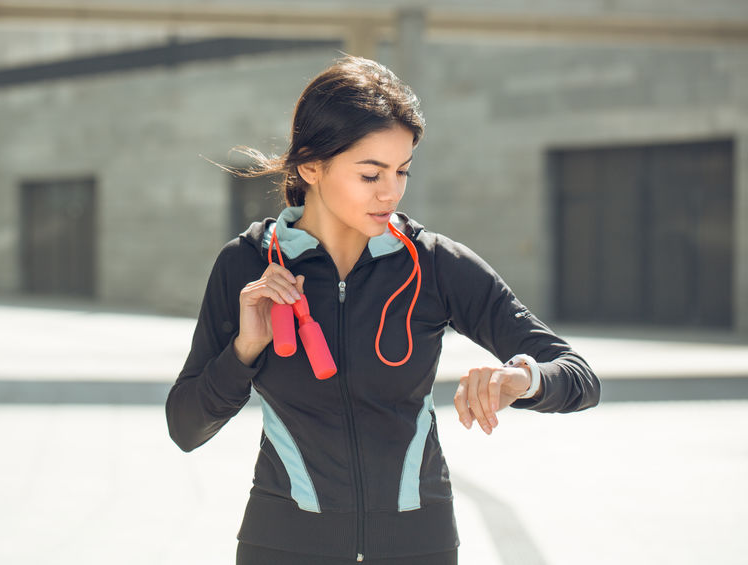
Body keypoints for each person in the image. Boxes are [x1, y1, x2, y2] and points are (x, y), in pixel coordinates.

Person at [166, 56, 600, 564]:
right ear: (311, 166)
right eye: (371, 174)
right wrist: (243, 350)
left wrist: (522, 379)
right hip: (283, 544)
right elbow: (186, 426)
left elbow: (579, 378)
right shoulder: (248, 264)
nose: (390, 192)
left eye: (402, 171)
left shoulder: (434, 265)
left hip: (417, 545)